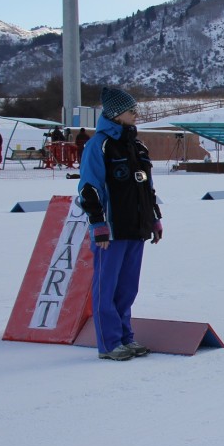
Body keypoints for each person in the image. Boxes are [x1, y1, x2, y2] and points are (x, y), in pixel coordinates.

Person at [77, 87, 163, 361]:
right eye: (131, 110)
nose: (136, 114)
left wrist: (155, 219)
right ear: (116, 114)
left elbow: (146, 188)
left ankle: (126, 336)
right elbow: (89, 189)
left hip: (136, 228)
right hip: (111, 231)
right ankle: (109, 342)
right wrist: (98, 225)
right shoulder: (99, 145)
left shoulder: (138, 146)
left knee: (128, 288)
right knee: (107, 286)